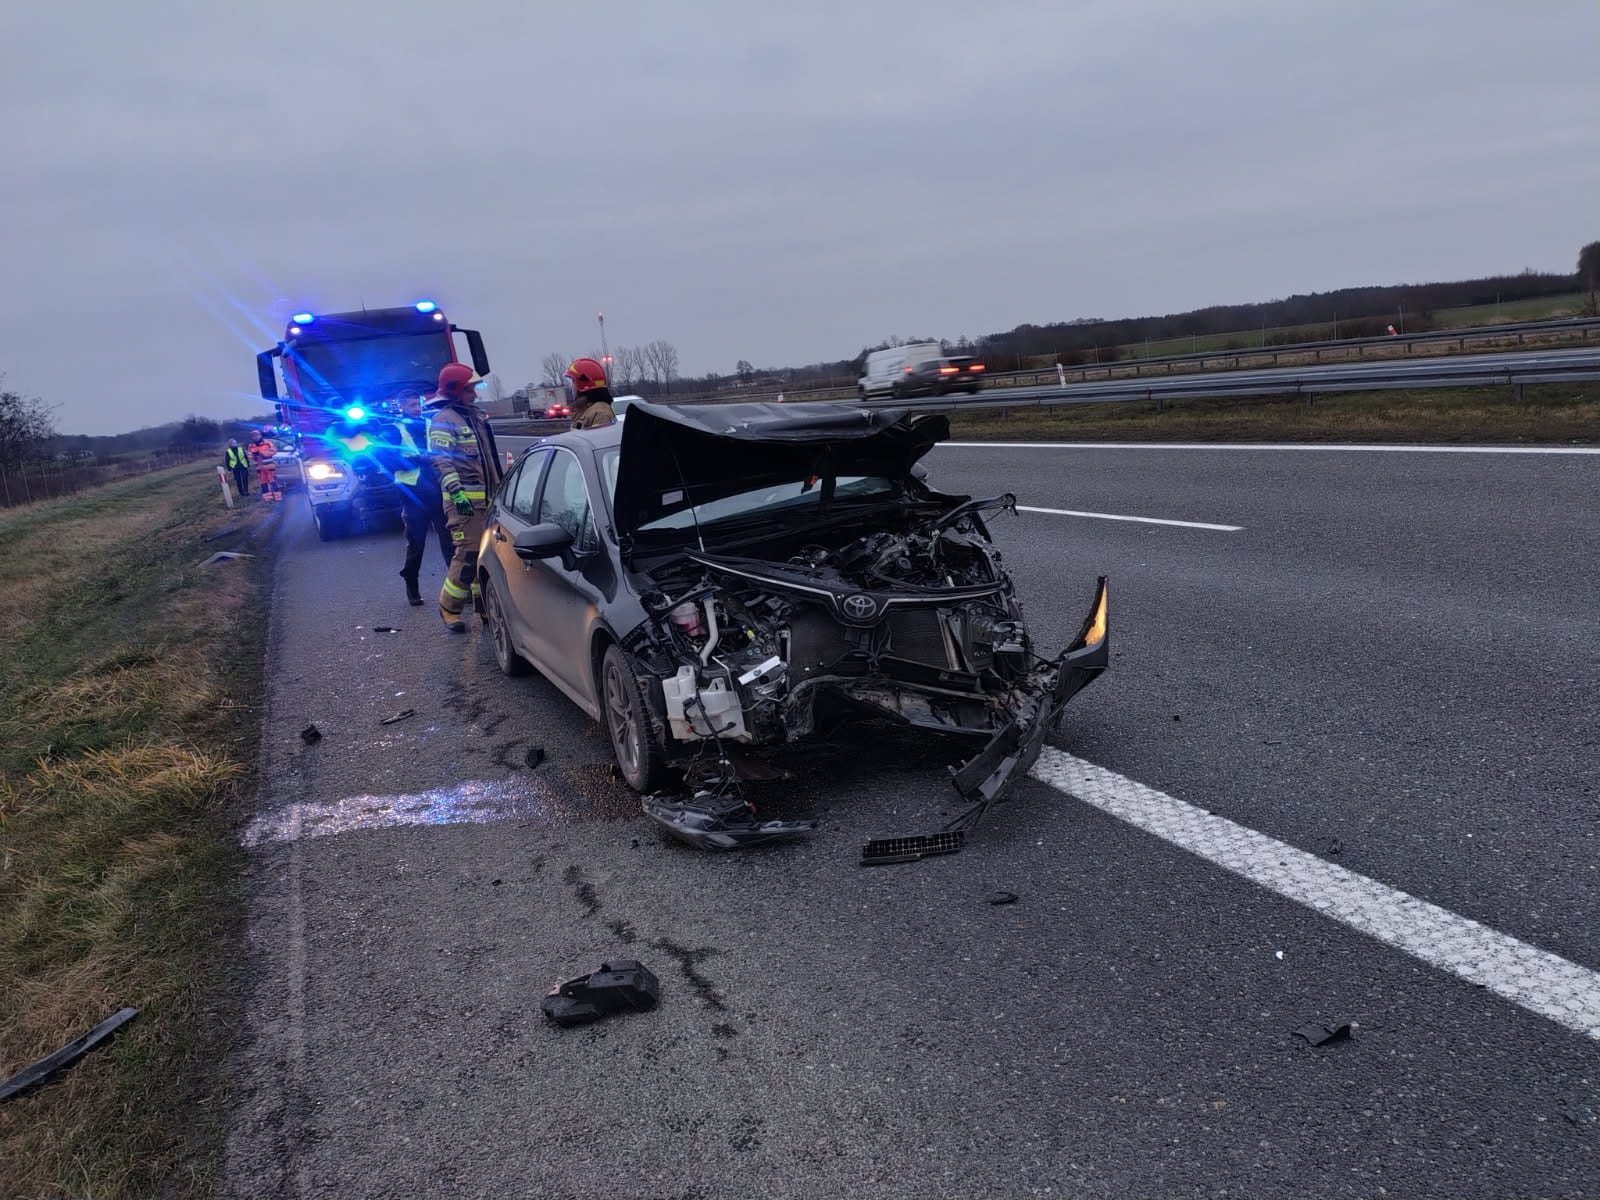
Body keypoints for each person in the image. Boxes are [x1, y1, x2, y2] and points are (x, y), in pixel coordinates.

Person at [427, 362, 503, 632]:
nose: (474, 394)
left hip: (487, 501)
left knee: (486, 556)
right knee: (468, 555)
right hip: (464, 504)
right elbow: (441, 461)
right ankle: (449, 608)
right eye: (469, 389)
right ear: (454, 390)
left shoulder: (475, 418)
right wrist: (457, 494)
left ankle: (484, 608)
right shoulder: (444, 420)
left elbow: (489, 460)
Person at [392, 388, 452, 606]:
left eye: (418, 404)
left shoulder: (431, 423)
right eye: (411, 405)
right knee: (416, 543)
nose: (416, 409)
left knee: (449, 539)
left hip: (437, 489)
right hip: (412, 493)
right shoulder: (393, 429)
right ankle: (411, 585)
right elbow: (388, 460)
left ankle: (456, 588)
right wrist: (419, 460)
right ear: (401, 406)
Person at [564, 357, 616, 430]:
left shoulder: (600, 413)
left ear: (582, 383)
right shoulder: (584, 410)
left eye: (573, 382)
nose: (572, 387)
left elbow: (602, 436)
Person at [246, 429, 281, 502]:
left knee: (273, 482)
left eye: (256, 435)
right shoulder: (251, 446)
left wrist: (262, 453)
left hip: (269, 466)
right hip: (259, 468)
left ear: (260, 435)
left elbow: (273, 451)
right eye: (253, 436)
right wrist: (254, 455)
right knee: (263, 484)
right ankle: (268, 499)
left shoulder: (267, 443)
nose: (255, 437)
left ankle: (277, 497)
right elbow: (249, 456)